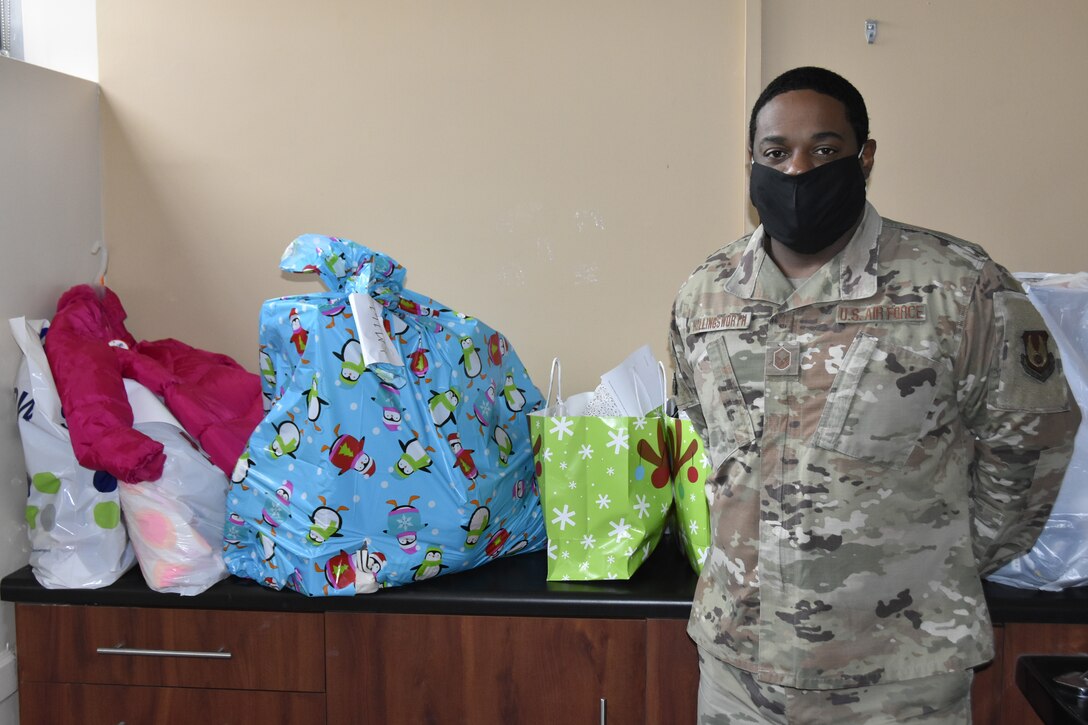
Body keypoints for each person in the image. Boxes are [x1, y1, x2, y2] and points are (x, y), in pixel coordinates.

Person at [668, 66, 1081, 723]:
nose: (798, 169)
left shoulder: (957, 285)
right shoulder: (706, 293)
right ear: (752, 161)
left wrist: (945, 557)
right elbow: (703, 425)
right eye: (776, 153)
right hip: (738, 670)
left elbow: (1034, 435)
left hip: (898, 676)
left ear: (866, 156)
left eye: (824, 150)